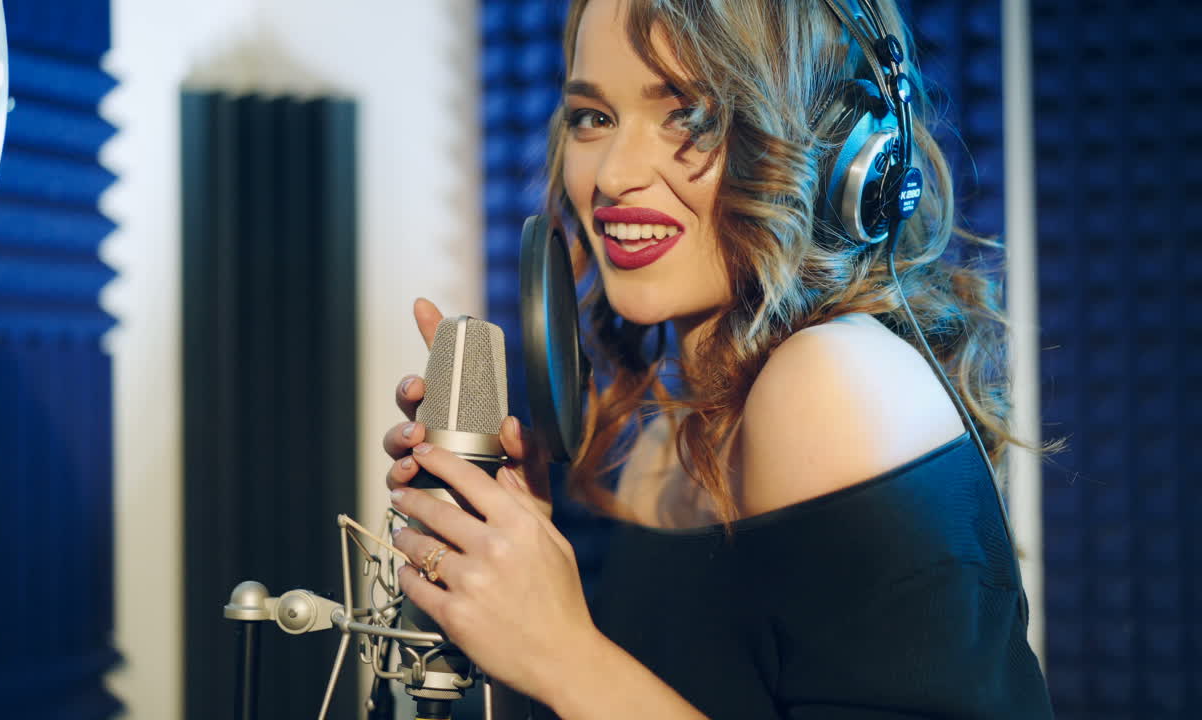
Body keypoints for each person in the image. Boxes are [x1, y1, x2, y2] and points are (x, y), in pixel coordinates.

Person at [381, 0, 1053, 717]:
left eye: (688, 114)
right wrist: (514, 590)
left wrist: (563, 651)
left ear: (840, 151)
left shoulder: (831, 381)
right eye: (592, 117)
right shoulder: (668, 434)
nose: (612, 176)